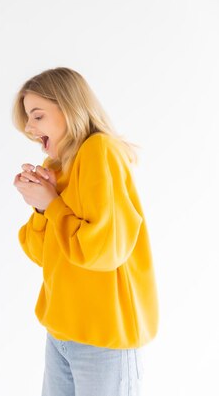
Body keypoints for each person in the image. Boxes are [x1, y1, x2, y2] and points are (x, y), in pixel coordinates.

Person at [12, 67, 158, 396]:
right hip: (61, 334)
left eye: (37, 116)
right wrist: (39, 206)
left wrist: (51, 205)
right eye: (27, 118)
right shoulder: (56, 167)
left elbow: (104, 250)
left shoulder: (100, 151)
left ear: (70, 109)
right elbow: (41, 254)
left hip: (104, 340)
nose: (28, 128)